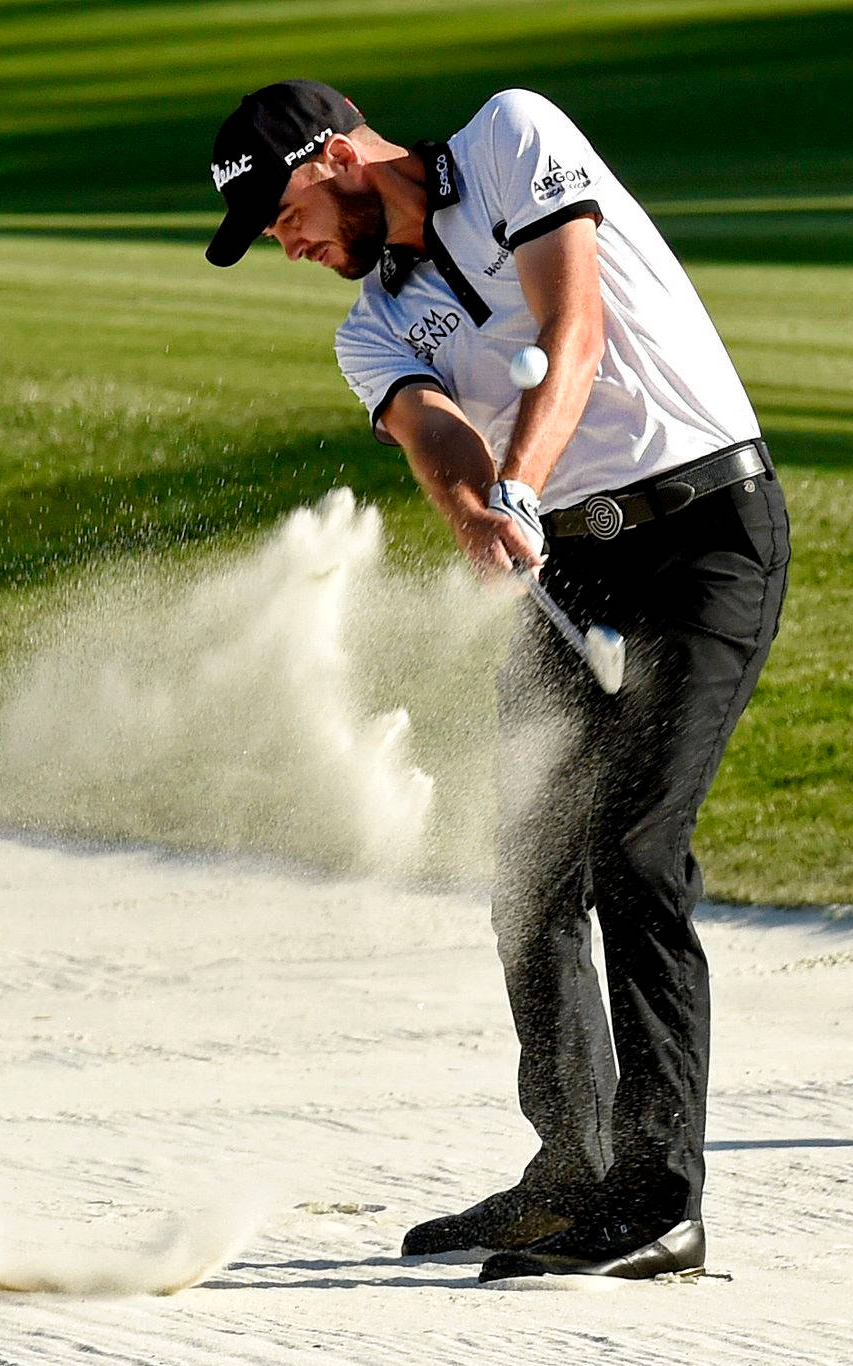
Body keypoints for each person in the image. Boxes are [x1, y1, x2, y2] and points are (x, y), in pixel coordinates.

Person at [205, 80, 789, 1282]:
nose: (290, 240)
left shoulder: (511, 135)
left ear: (336, 154)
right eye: (270, 233)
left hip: (703, 535)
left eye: (286, 210)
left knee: (633, 851)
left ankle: (658, 1200)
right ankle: (569, 1168)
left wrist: (519, 481)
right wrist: (481, 511)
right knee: (527, 865)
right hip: (569, 571)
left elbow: (571, 329)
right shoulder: (368, 323)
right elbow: (435, 438)